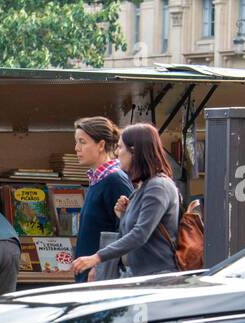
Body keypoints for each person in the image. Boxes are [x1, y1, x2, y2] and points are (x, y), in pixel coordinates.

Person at [71, 123, 179, 280]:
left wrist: (97, 258)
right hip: (138, 276)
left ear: (134, 151)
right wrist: (123, 215)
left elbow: (140, 234)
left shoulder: (158, 186)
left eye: (120, 148)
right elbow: (133, 231)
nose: (116, 152)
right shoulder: (143, 187)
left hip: (156, 278)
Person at [71, 116, 134, 283]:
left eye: (82, 142)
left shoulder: (115, 180)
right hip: (88, 272)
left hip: (101, 276)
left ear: (101, 145)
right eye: (77, 142)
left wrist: (100, 265)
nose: (77, 148)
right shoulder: (97, 180)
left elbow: (125, 228)